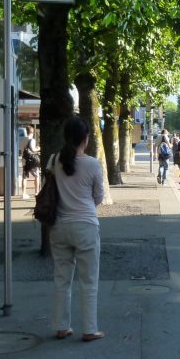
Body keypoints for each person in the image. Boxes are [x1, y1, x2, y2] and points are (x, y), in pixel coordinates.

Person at [50, 117, 106, 343]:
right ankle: (89, 329)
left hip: (59, 226)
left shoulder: (54, 160)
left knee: (62, 279)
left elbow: (50, 189)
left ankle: (61, 326)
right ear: (85, 139)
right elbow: (99, 196)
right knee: (89, 280)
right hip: (86, 226)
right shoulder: (93, 164)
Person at [22, 125, 40, 198]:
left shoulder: (23, 139)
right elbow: (33, 149)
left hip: (24, 159)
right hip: (32, 160)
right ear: (32, 132)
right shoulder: (32, 140)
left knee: (25, 176)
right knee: (36, 175)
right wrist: (38, 148)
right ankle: (36, 192)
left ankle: (23, 193)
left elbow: (22, 149)